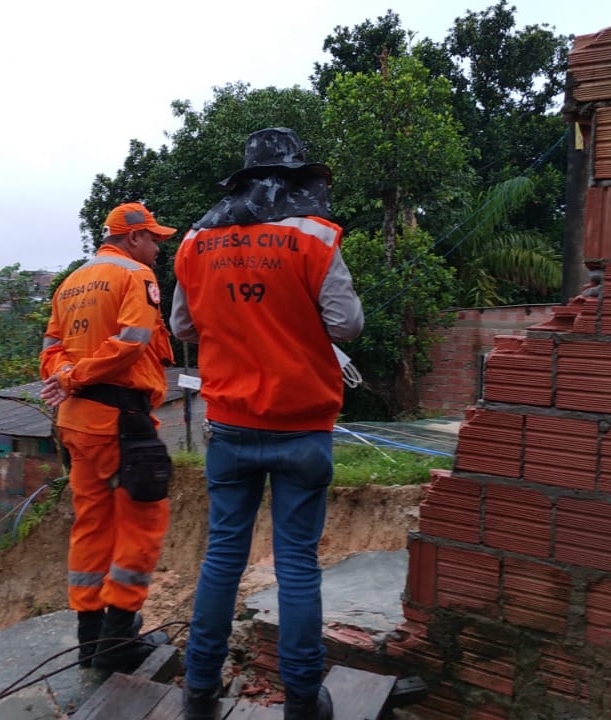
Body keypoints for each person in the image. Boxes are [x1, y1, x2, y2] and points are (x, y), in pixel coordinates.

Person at [171, 128, 364, 720]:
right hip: (302, 429)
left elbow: (181, 328)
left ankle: (199, 693)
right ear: (297, 175)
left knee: (222, 559)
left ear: (244, 180)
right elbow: (347, 326)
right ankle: (303, 701)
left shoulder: (196, 243)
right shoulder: (315, 236)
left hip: (229, 426)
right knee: (297, 565)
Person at [39, 201, 178, 673]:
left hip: (75, 424)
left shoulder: (69, 284)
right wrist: (77, 376)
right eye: (154, 238)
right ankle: (119, 643)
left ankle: (90, 643)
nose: (159, 247)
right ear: (132, 238)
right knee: (143, 521)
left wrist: (65, 377)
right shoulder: (135, 277)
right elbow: (134, 341)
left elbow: (50, 351)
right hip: (118, 422)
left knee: (92, 524)